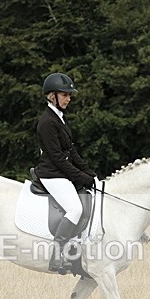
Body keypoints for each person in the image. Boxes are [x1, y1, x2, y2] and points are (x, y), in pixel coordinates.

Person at [34, 72, 97, 272]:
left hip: (59, 171)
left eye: (69, 95)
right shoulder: (47, 122)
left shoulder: (59, 118)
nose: (69, 99)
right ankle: (56, 253)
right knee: (75, 209)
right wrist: (80, 177)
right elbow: (58, 158)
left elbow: (70, 151)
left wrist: (90, 173)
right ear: (52, 96)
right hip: (51, 173)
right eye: (65, 95)